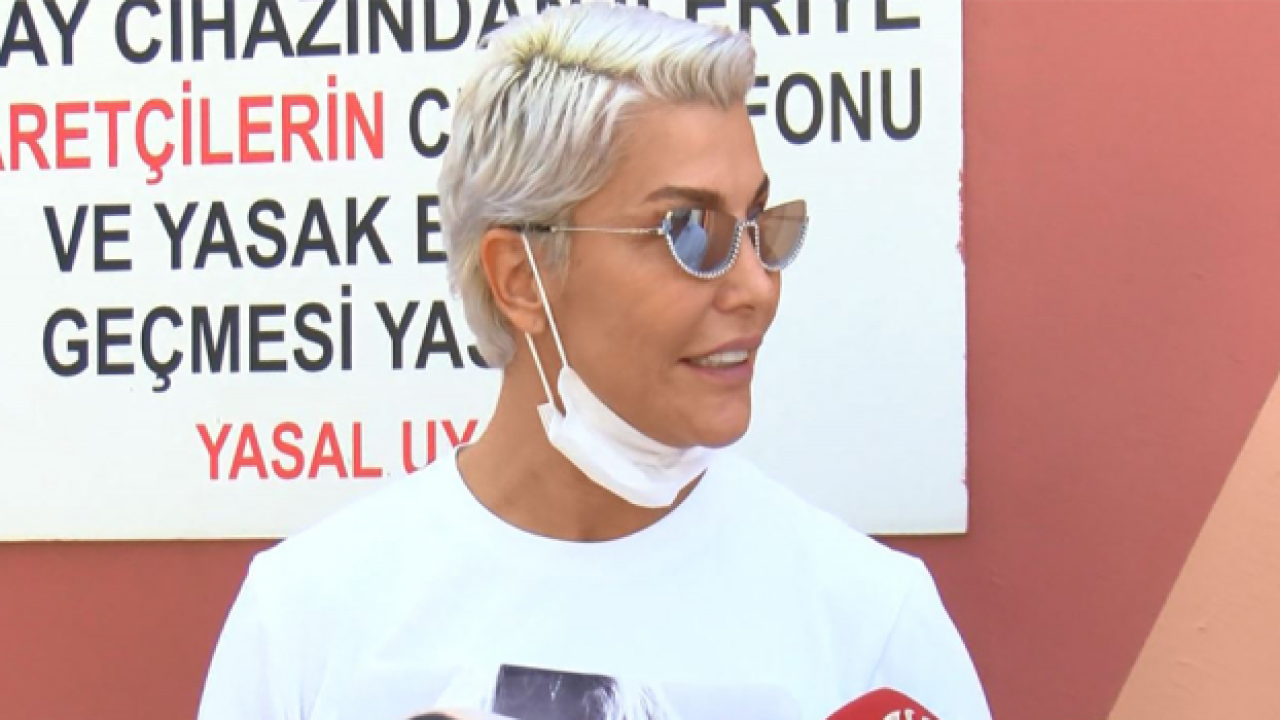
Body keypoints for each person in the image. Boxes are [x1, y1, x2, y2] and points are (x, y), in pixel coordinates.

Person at [195, 5, 992, 720]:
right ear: (520, 277)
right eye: (690, 232)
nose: (757, 287)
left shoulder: (868, 623)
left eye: (761, 225)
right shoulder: (305, 621)